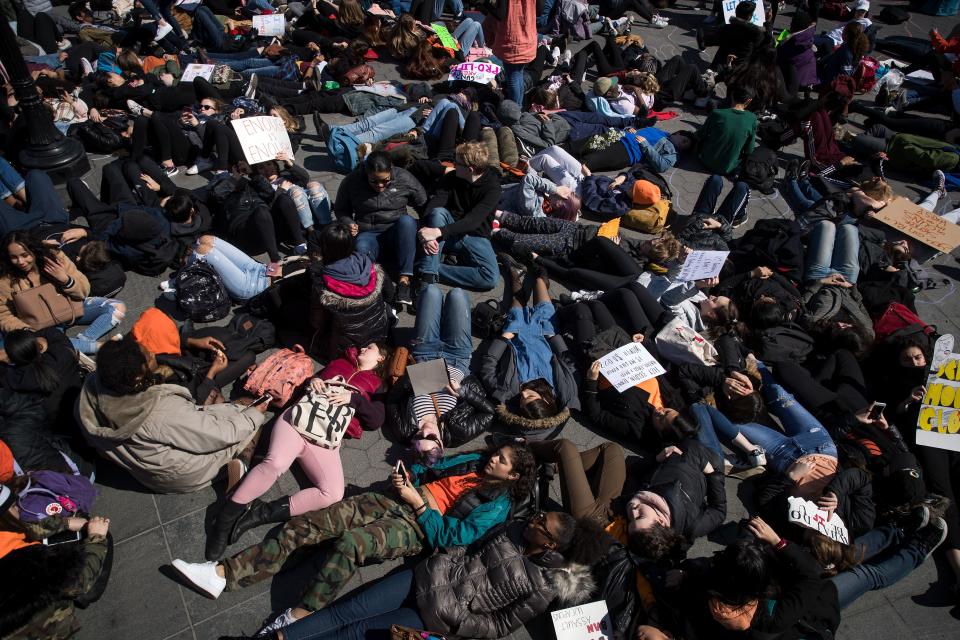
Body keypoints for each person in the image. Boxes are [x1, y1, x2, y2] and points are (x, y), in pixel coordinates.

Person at [170, 442, 537, 633]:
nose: (493, 460)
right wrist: (409, 477)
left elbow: (452, 538)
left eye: (502, 461)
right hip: (397, 498)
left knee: (351, 545)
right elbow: (432, 469)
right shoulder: (474, 460)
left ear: (513, 478)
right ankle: (221, 575)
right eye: (497, 454)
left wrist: (420, 506)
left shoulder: (498, 506)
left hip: (417, 527)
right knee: (311, 524)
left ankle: (299, 617)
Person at [249, 513, 603, 640]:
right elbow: (470, 545)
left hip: (433, 616)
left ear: (551, 543)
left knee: (356, 632)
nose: (535, 521)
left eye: (543, 525)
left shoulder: (545, 587)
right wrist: (446, 559)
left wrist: (460, 620)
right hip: (423, 576)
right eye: (540, 514)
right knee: (347, 610)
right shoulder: (512, 528)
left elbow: (500, 626)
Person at [204, 342, 391, 560]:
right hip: (297, 420)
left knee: (333, 493)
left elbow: (376, 419)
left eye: (370, 348)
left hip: (324, 438)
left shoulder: (377, 385)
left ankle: (260, 514)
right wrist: (315, 381)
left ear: (381, 359)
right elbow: (309, 383)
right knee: (275, 464)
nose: (363, 349)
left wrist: (354, 398)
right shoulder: (340, 362)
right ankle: (226, 517)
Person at [76, 336, 269, 493]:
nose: (152, 353)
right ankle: (242, 469)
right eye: (148, 356)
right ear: (136, 378)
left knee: (220, 401)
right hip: (184, 474)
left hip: (149, 470)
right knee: (250, 407)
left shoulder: (89, 392)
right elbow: (219, 435)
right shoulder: (160, 411)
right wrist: (253, 415)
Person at [390, 286, 496, 452]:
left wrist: (414, 379)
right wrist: (464, 392)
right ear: (441, 443)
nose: (424, 431)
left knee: (430, 291)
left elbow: (392, 401)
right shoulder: (458, 433)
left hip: (424, 353)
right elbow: (489, 413)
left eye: (419, 437)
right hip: (458, 356)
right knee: (457, 294)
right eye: (431, 437)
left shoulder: (404, 429)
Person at [0, 232, 126, 356]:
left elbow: (84, 290)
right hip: (41, 326)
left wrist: (66, 280)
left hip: (71, 309)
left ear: (34, 250)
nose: (20, 261)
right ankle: (101, 347)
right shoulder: (5, 279)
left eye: (25, 255)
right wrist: (26, 329)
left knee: (116, 307)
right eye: (14, 257)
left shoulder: (54, 257)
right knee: (46, 344)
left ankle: (84, 341)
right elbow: (3, 315)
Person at [333, 151, 426, 306]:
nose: (380, 186)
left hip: (397, 232)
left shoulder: (404, 178)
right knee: (361, 246)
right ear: (366, 173)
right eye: (374, 181)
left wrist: (428, 229)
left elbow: (423, 204)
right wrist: (348, 222)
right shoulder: (352, 181)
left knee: (407, 222)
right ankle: (373, 286)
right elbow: (341, 209)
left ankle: (404, 281)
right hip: (368, 233)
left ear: (391, 172)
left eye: (385, 181)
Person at [415, 142, 500, 291]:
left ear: (470, 169)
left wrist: (436, 233)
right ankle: (426, 278)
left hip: (475, 236)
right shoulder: (452, 177)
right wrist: (427, 231)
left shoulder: (492, 188)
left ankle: (429, 267)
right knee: (438, 213)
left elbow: (473, 221)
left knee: (490, 278)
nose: (453, 165)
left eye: (457, 163)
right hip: (446, 229)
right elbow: (434, 205)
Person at [695, 85, 757, 176]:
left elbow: (700, 135)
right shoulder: (752, 118)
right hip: (728, 168)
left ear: (732, 95)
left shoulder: (717, 113)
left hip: (705, 161)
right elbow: (749, 150)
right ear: (749, 101)